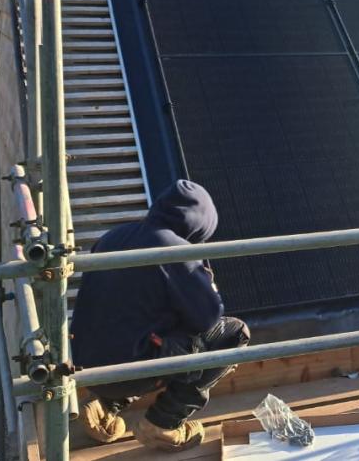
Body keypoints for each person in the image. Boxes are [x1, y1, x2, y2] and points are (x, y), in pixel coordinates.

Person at [72, 180, 251, 451]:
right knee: (233, 334)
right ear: (201, 224)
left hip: (87, 369)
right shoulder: (174, 249)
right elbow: (208, 319)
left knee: (142, 327)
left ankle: (105, 406)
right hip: (130, 373)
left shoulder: (113, 237)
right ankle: (163, 423)